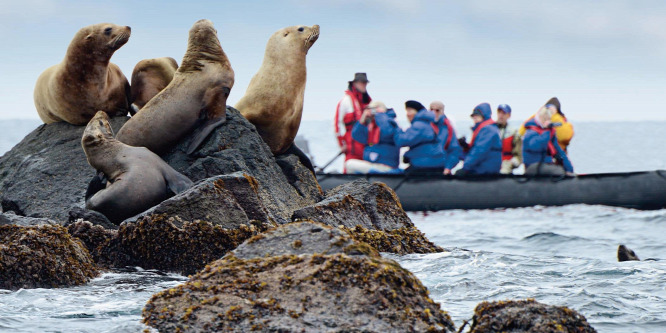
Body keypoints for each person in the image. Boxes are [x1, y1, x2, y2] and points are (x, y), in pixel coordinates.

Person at [346, 101, 401, 174]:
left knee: (350, 164)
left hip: (385, 166)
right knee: (350, 164)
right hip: (373, 164)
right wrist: (363, 119)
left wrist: (380, 114)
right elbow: (357, 136)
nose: (372, 112)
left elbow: (387, 132)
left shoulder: (391, 122)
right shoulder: (372, 127)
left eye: (373, 109)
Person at [393, 100, 447, 174]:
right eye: (407, 111)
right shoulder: (427, 123)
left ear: (417, 112)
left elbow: (401, 141)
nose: (407, 114)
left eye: (410, 111)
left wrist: (396, 129)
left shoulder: (419, 125)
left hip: (424, 164)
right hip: (436, 162)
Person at [522, 104, 574, 176]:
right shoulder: (530, 132)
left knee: (561, 170)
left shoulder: (549, 133)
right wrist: (547, 130)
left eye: (548, 119)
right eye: (544, 118)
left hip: (546, 164)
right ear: (539, 118)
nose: (546, 121)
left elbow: (559, 151)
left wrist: (569, 169)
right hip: (532, 166)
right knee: (558, 171)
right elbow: (536, 146)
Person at [334, 73, 372, 168]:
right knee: (350, 167)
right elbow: (337, 124)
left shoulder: (368, 102)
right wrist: (341, 143)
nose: (364, 85)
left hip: (366, 145)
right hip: (351, 145)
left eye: (365, 83)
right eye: (361, 83)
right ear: (354, 84)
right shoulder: (345, 101)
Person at [456, 103, 502, 175]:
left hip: (485, 170)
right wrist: (465, 146)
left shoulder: (488, 130)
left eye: (477, 116)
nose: (475, 118)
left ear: (484, 116)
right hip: (483, 169)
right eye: (474, 116)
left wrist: (465, 168)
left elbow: (479, 151)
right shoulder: (487, 129)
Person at [433, 107, 462, 174]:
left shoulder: (448, 129)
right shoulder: (428, 127)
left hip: (441, 167)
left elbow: (454, 151)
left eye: (437, 110)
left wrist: (448, 167)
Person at [495, 104, 522, 174]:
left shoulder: (514, 133)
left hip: (506, 169)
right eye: (499, 112)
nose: (501, 115)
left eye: (504, 113)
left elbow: (519, 157)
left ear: (509, 116)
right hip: (491, 166)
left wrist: (510, 164)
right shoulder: (489, 130)